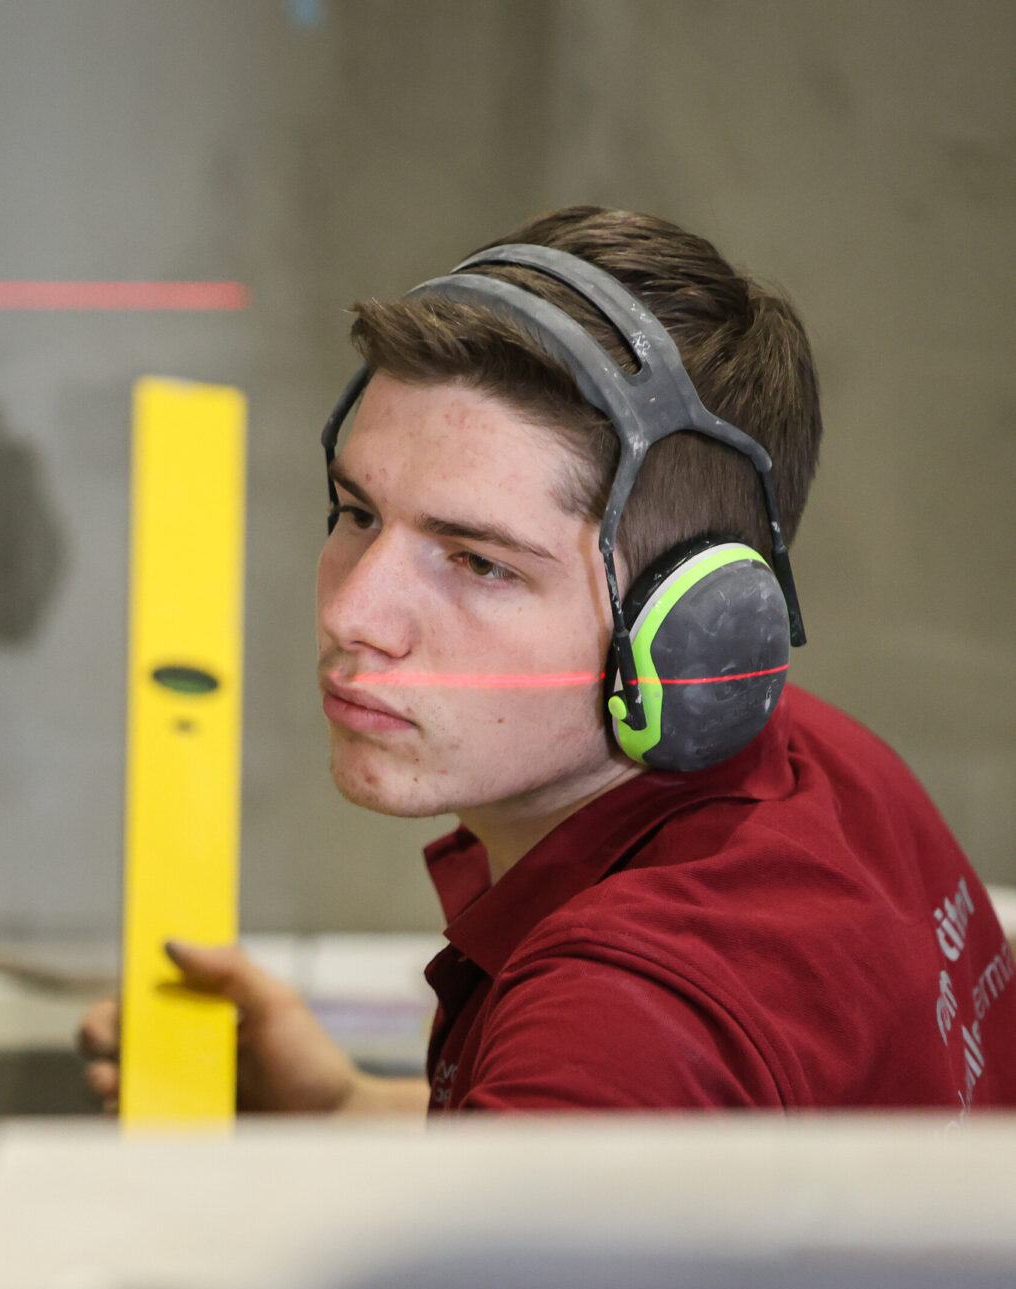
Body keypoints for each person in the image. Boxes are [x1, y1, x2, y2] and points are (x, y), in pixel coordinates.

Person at [80, 205, 1016, 1114]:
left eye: (478, 562)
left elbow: (599, 1109)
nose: (353, 615)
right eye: (358, 513)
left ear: (694, 628)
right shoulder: (824, 762)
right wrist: (347, 1109)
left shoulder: (614, 1026)